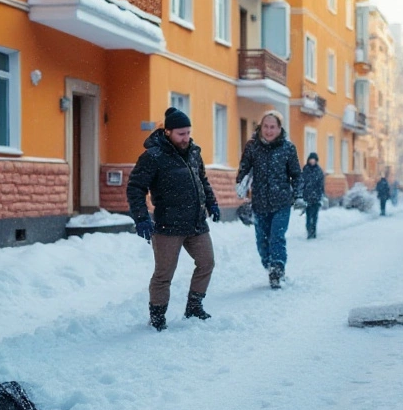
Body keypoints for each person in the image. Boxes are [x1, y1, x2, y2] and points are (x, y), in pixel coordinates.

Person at [127, 107, 219, 331]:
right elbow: (135, 187)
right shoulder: (153, 156)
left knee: (207, 263)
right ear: (167, 132)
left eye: (188, 132)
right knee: (164, 274)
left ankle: (194, 306)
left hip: (196, 222)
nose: (186, 138)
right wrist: (141, 218)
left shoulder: (194, 152)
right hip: (168, 225)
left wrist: (211, 202)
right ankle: (157, 316)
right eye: (181, 134)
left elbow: (202, 180)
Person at [236, 110, 301, 289]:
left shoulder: (288, 148)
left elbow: (296, 174)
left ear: (279, 129)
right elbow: (244, 168)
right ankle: (269, 265)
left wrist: (299, 195)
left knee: (277, 237)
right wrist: (240, 184)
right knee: (262, 240)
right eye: (266, 126)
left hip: (281, 202)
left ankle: (277, 269)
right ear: (261, 127)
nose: (269, 130)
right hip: (259, 202)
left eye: (273, 127)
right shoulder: (252, 147)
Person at [301, 152, 325, 239]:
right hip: (307, 197)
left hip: (316, 197)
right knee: (308, 216)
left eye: (314, 160)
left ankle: (313, 231)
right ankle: (309, 231)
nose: (312, 161)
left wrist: (320, 194)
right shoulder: (305, 169)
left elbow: (321, 184)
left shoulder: (318, 171)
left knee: (314, 216)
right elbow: (302, 182)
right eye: (311, 160)